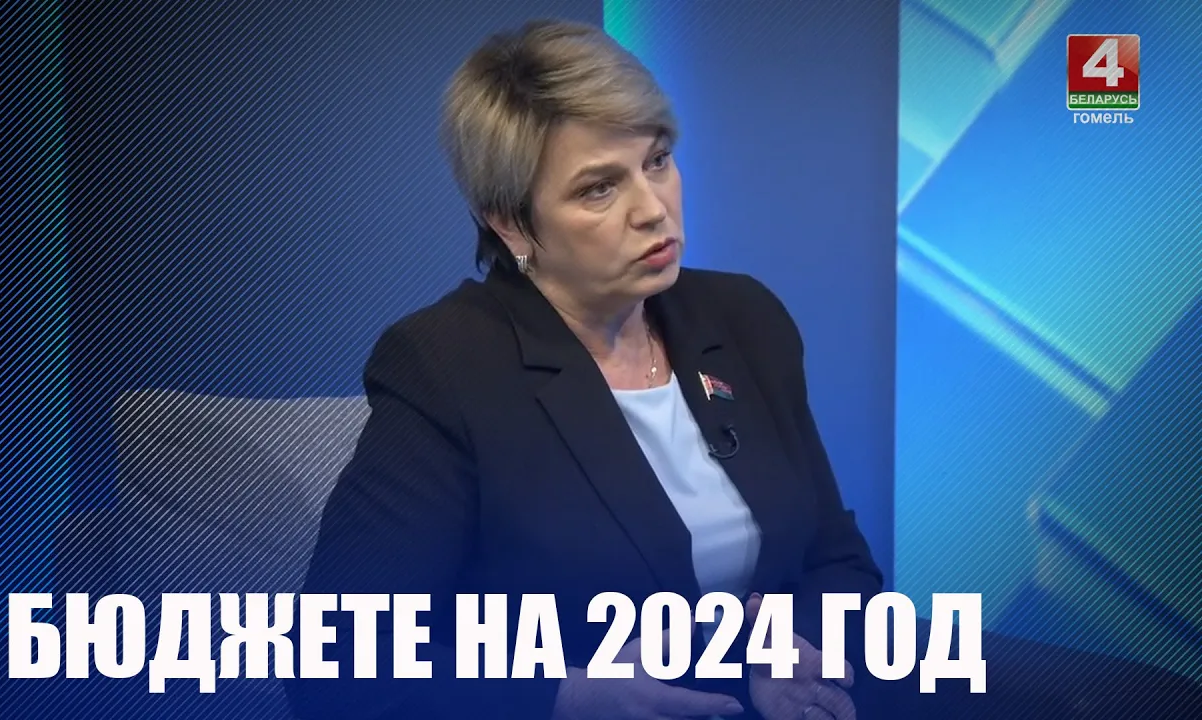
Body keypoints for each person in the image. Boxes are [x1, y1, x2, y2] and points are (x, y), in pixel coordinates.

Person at [286, 18, 883, 720]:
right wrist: (563, 695)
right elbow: (336, 659)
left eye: (657, 161)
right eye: (599, 189)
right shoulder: (447, 366)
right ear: (511, 223)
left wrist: (785, 649)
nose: (652, 209)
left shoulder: (743, 318)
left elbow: (838, 561)